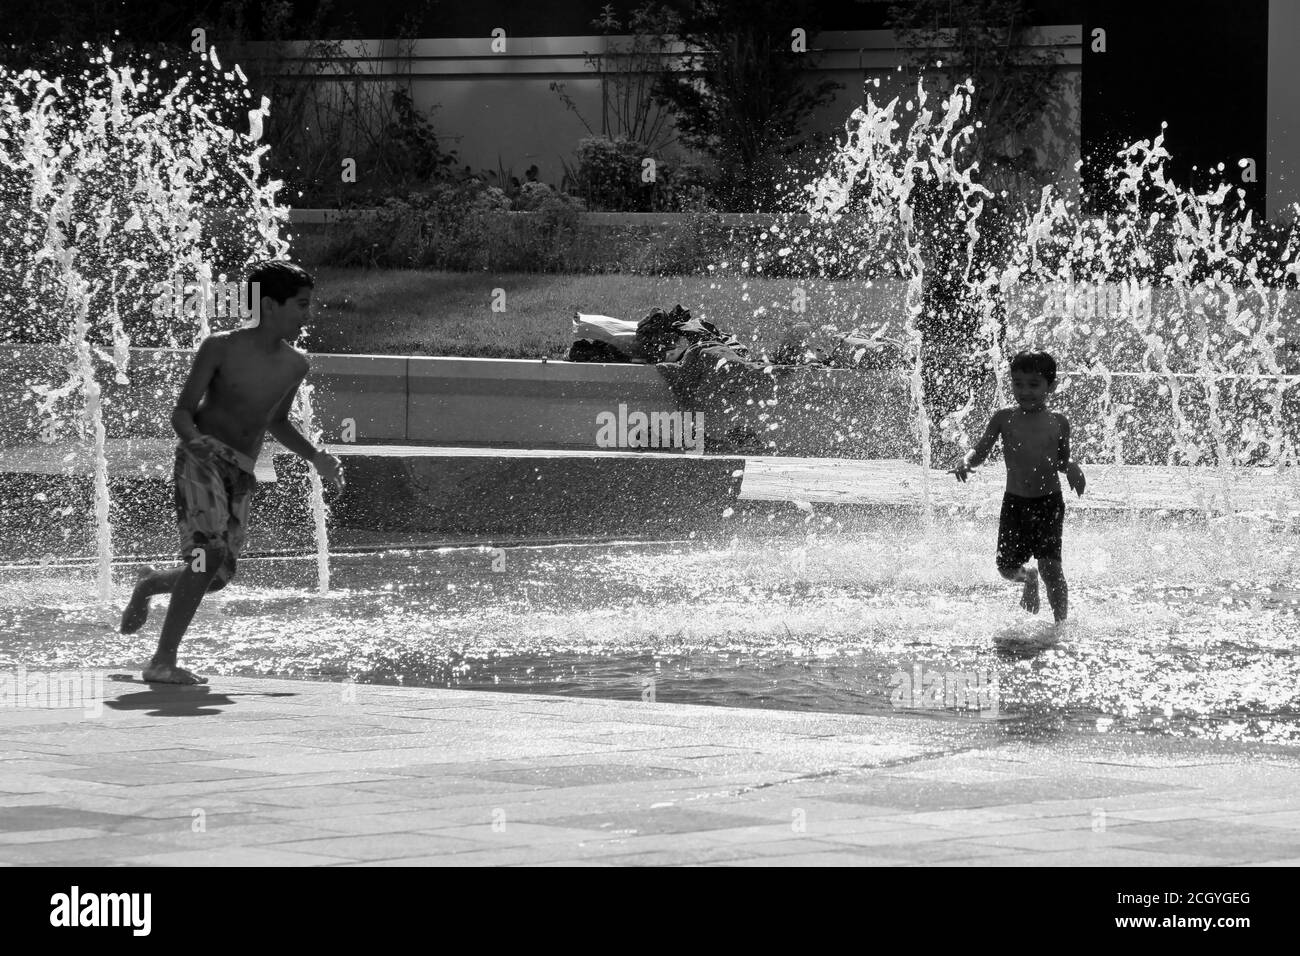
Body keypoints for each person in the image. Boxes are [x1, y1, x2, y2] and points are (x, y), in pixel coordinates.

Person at [119, 261, 344, 684]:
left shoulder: (296, 364)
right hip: (201, 460)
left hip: (241, 470)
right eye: (301, 305)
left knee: (215, 576)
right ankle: (162, 661)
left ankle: (149, 584)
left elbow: (276, 421)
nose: (308, 314)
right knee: (209, 556)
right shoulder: (220, 348)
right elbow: (183, 411)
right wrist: (193, 440)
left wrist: (315, 456)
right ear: (271, 305)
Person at [949, 351, 1086, 622]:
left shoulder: (1058, 421)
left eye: (1033, 385)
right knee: (1006, 567)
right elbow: (980, 450)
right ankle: (1027, 577)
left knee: (1052, 568)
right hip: (1015, 503)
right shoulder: (1004, 418)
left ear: (1051, 386)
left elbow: (1060, 459)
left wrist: (1071, 466)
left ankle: (1060, 623)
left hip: (1048, 502)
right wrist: (965, 462)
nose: (1024, 391)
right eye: (1018, 383)